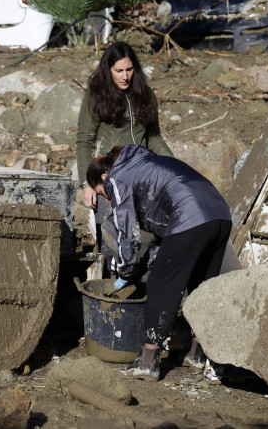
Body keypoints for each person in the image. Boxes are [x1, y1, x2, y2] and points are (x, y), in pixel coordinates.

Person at [86, 144, 232, 380]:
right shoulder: (143, 165)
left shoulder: (117, 178)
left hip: (190, 214)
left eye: (101, 192)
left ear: (104, 177)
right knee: (203, 286)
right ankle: (199, 355)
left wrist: (125, 270)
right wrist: (146, 261)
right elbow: (163, 236)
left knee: (161, 284)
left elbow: (127, 233)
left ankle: (147, 361)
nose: (106, 197)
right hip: (220, 213)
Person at [75, 42, 172, 277]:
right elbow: (84, 141)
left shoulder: (145, 95)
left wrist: (173, 165)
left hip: (141, 174)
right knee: (111, 236)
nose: (125, 76)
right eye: (119, 71)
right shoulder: (95, 96)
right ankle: (109, 285)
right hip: (110, 176)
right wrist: (87, 185)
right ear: (108, 70)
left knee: (144, 233)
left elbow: (154, 137)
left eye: (129, 70)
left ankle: (139, 284)